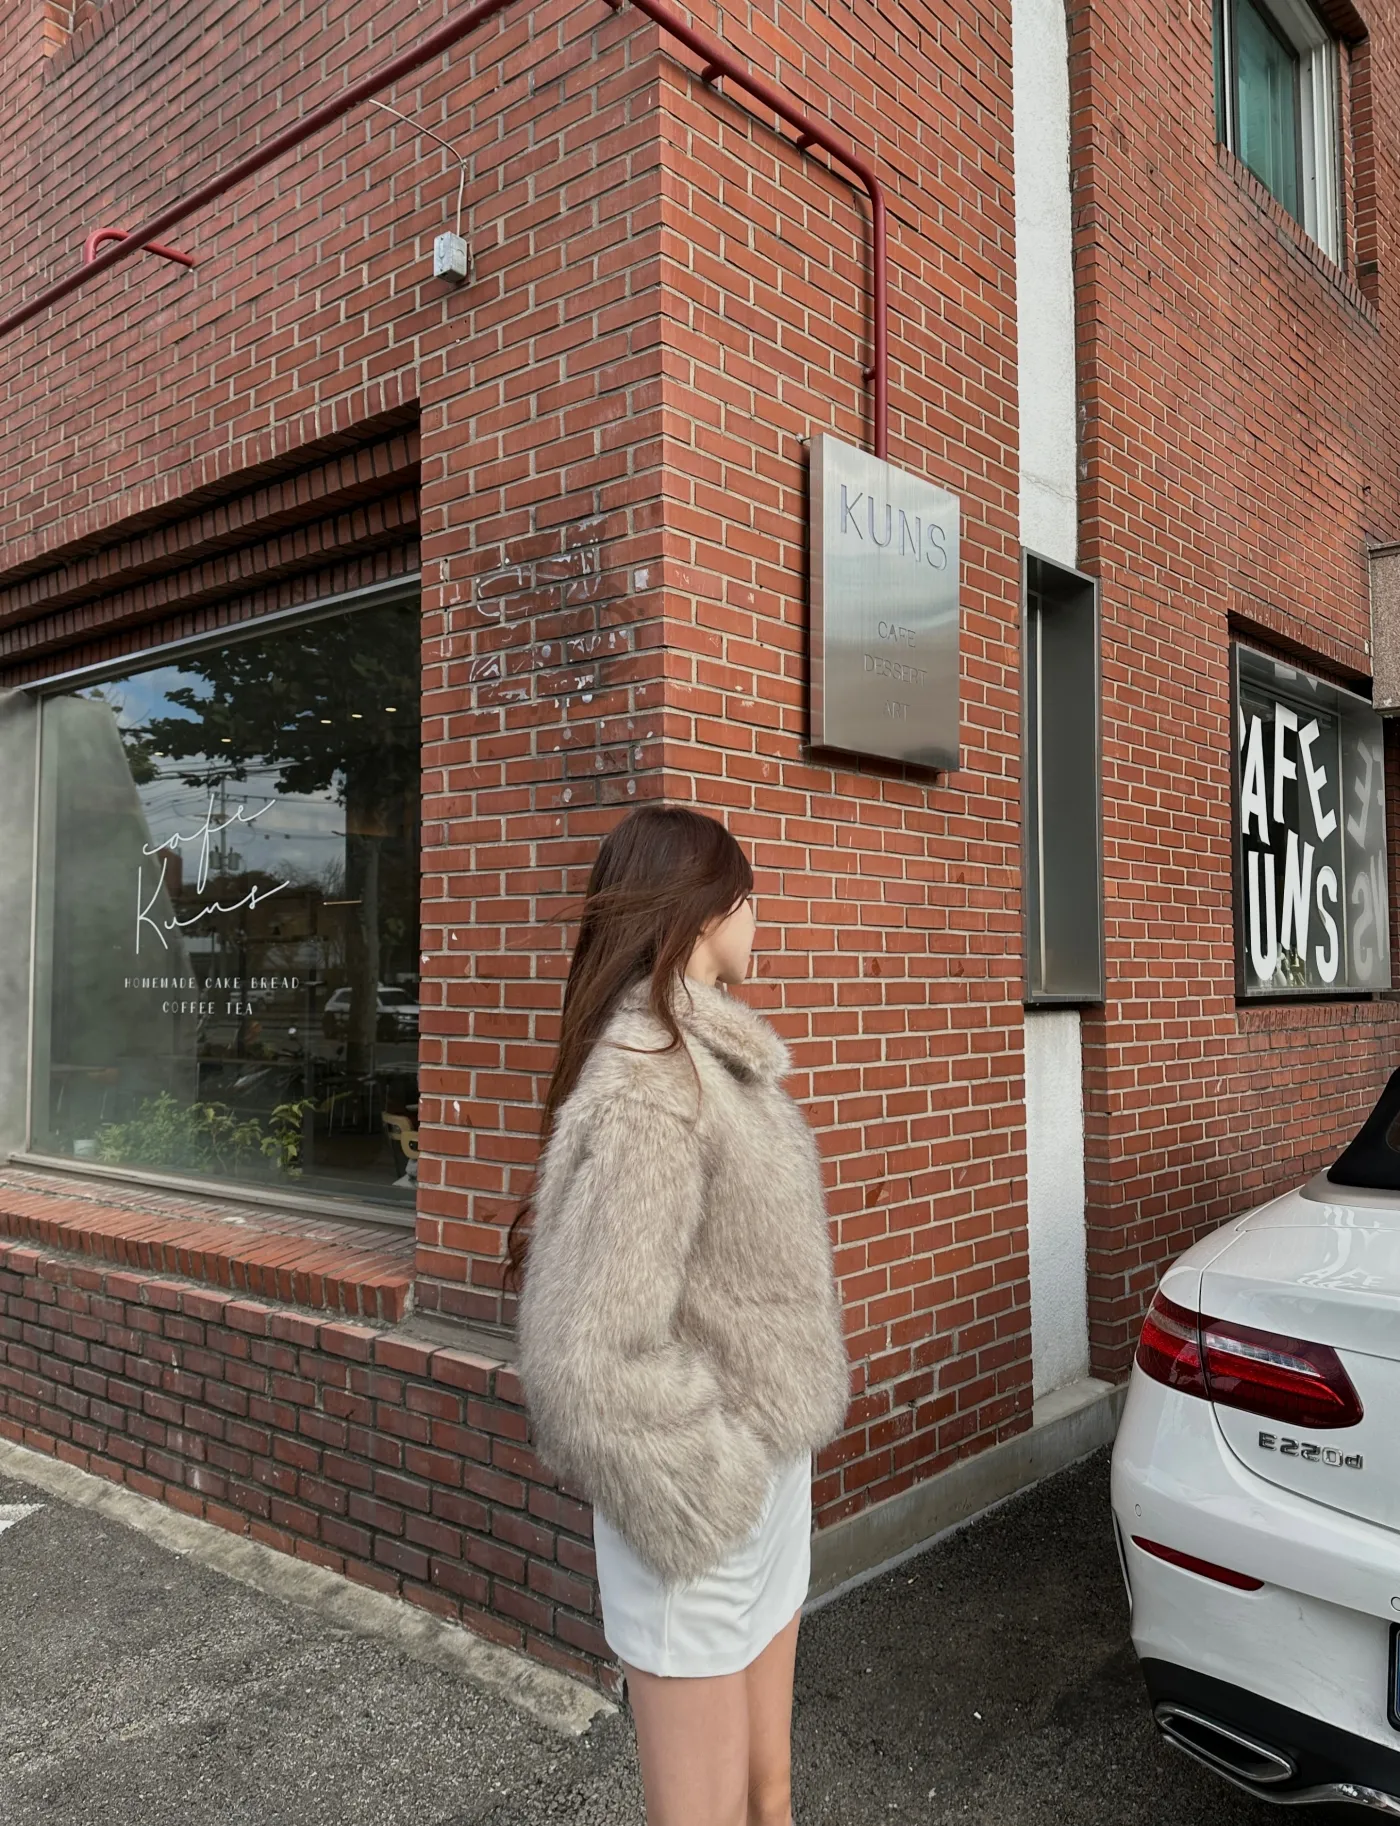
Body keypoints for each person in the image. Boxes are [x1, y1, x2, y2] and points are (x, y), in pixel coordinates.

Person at [515, 804, 850, 1826]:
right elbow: (587, 1360)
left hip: (764, 1477)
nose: (758, 916)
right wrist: (713, 1482)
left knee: (769, 1797)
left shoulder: (718, 1065)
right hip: (697, 1507)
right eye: (746, 896)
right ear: (704, 911)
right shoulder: (648, 1083)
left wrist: (765, 1458)